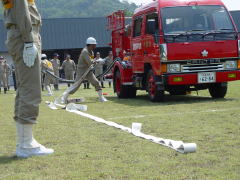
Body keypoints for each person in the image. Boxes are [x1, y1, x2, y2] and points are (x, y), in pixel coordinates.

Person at [2, 0, 54, 158]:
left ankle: (24, 141)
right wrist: (29, 41)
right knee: (31, 89)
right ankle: (26, 144)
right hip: (24, 36)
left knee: (25, 88)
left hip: (21, 36)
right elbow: (22, 10)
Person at [60, 37, 108, 103]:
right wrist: (98, 61)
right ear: (91, 44)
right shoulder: (85, 51)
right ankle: (64, 97)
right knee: (76, 86)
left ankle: (101, 98)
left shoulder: (91, 52)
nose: (95, 45)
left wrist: (97, 61)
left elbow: (91, 62)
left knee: (96, 83)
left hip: (88, 70)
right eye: (94, 44)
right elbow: (90, 62)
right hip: (81, 71)